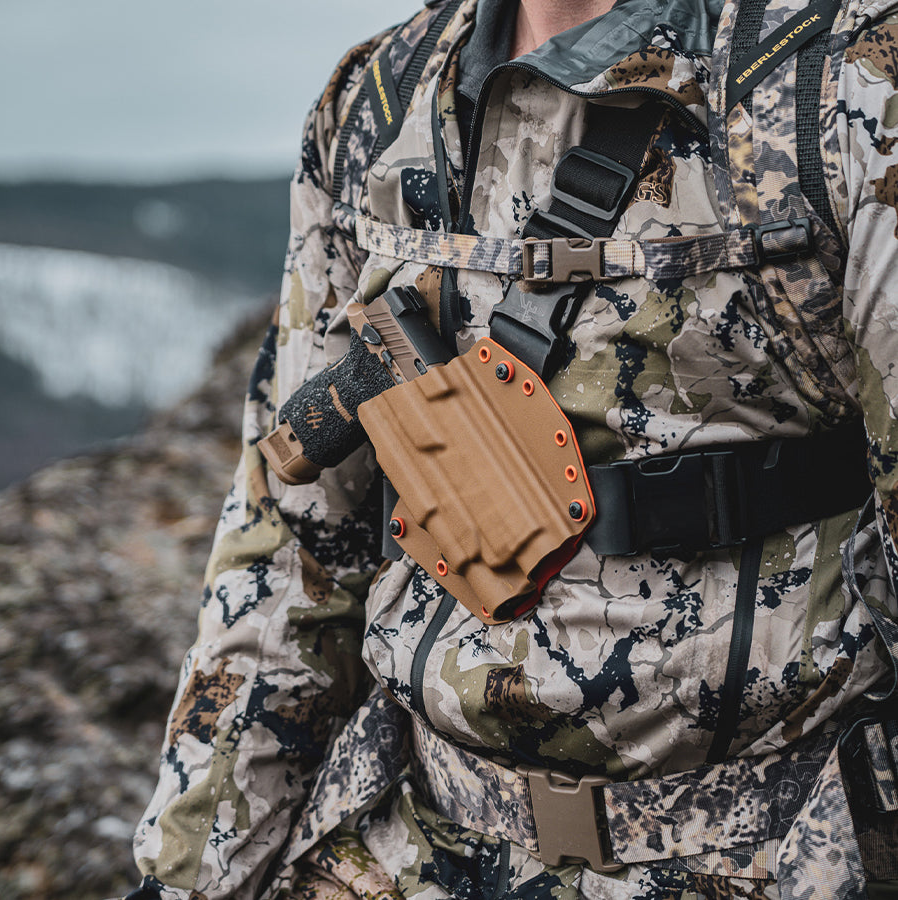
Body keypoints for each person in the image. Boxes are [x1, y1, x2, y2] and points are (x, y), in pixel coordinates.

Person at [124, 0, 898, 897]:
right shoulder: (378, 96)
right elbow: (288, 548)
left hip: (767, 848)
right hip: (413, 834)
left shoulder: (841, 75)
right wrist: (190, 877)